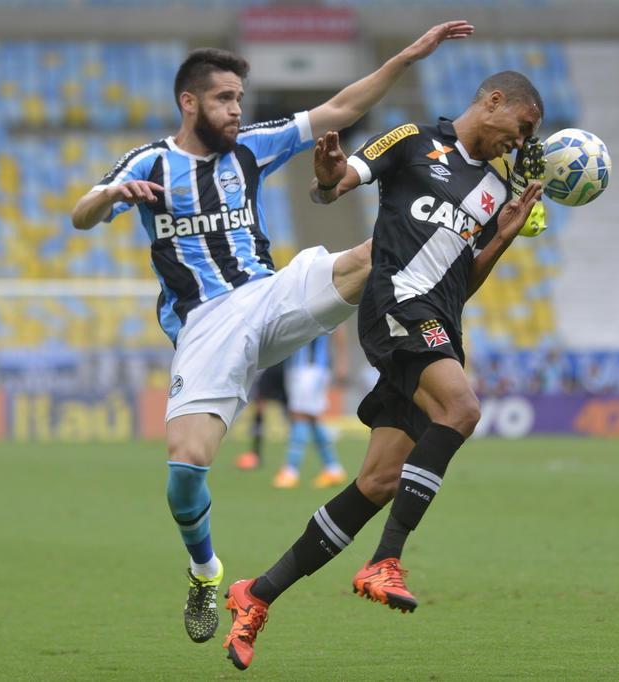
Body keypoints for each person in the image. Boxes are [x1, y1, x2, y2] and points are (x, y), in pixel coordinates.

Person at [70, 21, 474, 646]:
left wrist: (407, 56)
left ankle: (407, 373)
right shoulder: (149, 162)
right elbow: (82, 214)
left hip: (269, 295)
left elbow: (341, 107)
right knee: (186, 470)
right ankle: (208, 573)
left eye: (239, 97)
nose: (237, 109)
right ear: (190, 102)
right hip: (206, 324)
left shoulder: (252, 147)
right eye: (225, 99)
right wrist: (115, 195)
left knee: (378, 254)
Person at [222, 70, 546, 670]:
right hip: (396, 301)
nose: (520, 144)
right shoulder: (410, 139)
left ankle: (256, 595)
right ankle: (384, 560)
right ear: (494, 101)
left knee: (378, 482)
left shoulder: (497, 192)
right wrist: (325, 179)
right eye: (522, 129)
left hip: (439, 319)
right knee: (462, 409)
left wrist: (501, 238)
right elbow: (337, 183)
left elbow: (462, 281)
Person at [272, 326, 349, 489]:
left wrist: (342, 361)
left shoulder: (325, 301)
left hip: (313, 367)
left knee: (299, 415)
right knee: (311, 417)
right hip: (295, 366)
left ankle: (290, 471)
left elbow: (340, 325)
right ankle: (333, 468)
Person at [234, 362, 287, 471]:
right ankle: (256, 454)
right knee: (260, 408)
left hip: (280, 368)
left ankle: (290, 463)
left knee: (296, 415)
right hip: (272, 369)